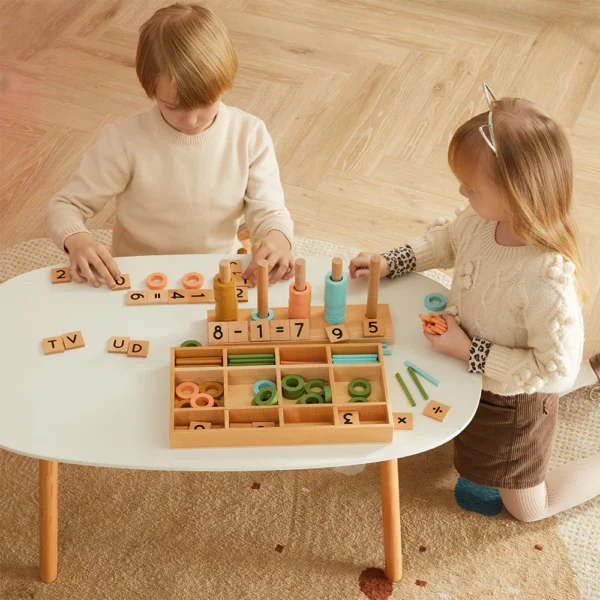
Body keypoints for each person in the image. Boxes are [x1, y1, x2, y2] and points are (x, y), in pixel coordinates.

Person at [350, 84, 600, 522]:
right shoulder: (485, 220)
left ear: (518, 192)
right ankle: (594, 371)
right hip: (469, 362)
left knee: (526, 508)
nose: (462, 194)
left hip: (515, 399)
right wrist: (391, 261)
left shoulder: (546, 277)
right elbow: (447, 240)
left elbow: (551, 372)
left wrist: (470, 351)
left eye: (471, 187)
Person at [46, 3, 294, 288]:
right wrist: (76, 239)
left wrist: (277, 236)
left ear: (225, 82)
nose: (190, 120)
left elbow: (270, 210)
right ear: (149, 89)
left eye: (203, 104)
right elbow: (64, 206)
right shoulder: (124, 140)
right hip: (137, 275)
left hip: (216, 272)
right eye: (172, 107)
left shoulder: (249, 134)